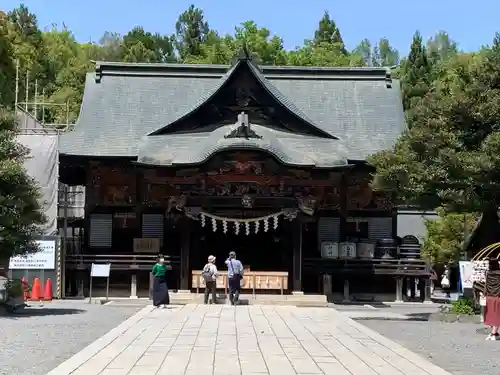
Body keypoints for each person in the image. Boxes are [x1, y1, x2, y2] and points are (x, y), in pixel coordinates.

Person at [484, 258, 500, 340]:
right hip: (498, 297)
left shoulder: (488, 273)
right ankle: (493, 334)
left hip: (489, 296)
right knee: (497, 315)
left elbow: (486, 285)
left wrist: (484, 294)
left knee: (491, 314)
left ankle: (494, 333)